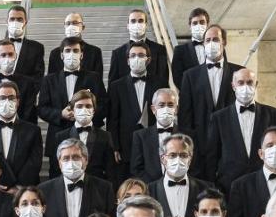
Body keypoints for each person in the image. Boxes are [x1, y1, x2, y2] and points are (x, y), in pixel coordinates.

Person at [41, 138, 116, 217]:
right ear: (59, 163)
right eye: (66, 158)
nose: (71, 162)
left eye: (76, 157)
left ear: (85, 161)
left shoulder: (104, 188)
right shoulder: (44, 190)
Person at [207, 68, 276, 190]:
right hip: (228, 187)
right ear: (233, 86)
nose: (245, 87)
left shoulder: (272, 114)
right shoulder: (219, 118)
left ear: (256, 84)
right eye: (241, 83)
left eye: (250, 82)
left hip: (264, 185)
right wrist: (213, 190)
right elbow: (211, 158)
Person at [178, 24, 243, 166]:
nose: (211, 43)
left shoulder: (238, 72)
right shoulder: (190, 76)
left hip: (230, 145)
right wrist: (191, 145)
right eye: (207, 40)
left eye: (215, 39)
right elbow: (185, 115)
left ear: (224, 42)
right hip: (200, 146)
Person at [38, 37, 106, 163]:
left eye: (76, 51)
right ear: (62, 55)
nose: (72, 54)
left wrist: (86, 115)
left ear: (81, 55)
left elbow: (104, 104)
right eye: (68, 50)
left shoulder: (94, 78)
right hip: (58, 134)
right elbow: (42, 108)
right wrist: (60, 114)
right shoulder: (49, 80)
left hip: (89, 136)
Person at [107, 43, 163, 184]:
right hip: (125, 145)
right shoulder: (116, 86)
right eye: (133, 56)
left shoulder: (159, 83)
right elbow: (112, 118)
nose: (136, 58)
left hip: (151, 144)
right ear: (127, 60)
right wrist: (115, 147)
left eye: (140, 55)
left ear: (148, 60)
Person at [52, 89, 117, 183]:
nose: (84, 109)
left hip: (97, 187)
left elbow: (111, 170)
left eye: (88, 106)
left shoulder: (105, 136)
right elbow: (56, 168)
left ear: (94, 110)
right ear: (73, 111)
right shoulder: (61, 136)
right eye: (79, 106)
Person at [130, 88, 193, 183]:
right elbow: (136, 169)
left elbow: (194, 165)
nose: (166, 108)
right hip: (150, 189)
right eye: (161, 105)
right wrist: (154, 186)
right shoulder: (140, 136)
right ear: (153, 109)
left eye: (170, 105)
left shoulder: (188, 135)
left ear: (176, 109)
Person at [148, 133, 213, 217]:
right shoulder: (149, 190)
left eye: (183, 155)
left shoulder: (207, 189)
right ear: (163, 159)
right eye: (172, 155)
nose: (178, 160)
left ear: (190, 159)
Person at [0, 40, 40, 125]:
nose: (7, 58)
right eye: (3, 55)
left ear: (16, 56)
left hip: (21, 133)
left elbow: (29, 114)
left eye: (10, 54)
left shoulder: (28, 83)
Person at [108, 8, 169, 89]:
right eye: (133, 21)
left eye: (140, 21)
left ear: (146, 25)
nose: (137, 24)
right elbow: (112, 84)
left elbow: (163, 79)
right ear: (128, 26)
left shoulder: (159, 49)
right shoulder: (117, 53)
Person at [0, 4, 45, 80]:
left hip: (25, 91)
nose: (15, 22)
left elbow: (38, 77)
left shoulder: (36, 48)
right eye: (12, 19)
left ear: (25, 22)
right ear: (7, 21)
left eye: (19, 19)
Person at [46, 12, 104, 77]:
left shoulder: (95, 52)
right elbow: (50, 81)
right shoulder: (55, 53)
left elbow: (98, 81)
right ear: (64, 27)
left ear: (83, 27)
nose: (71, 26)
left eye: (75, 23)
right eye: (68, 23)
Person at [170, 6, 211, 88]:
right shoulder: (179, 50)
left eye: (202, 22)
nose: (198, 25)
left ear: (208, 24)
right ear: (190, 26)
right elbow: (177, 78)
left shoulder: (217, 47)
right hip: (190, 97)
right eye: (195, 23)